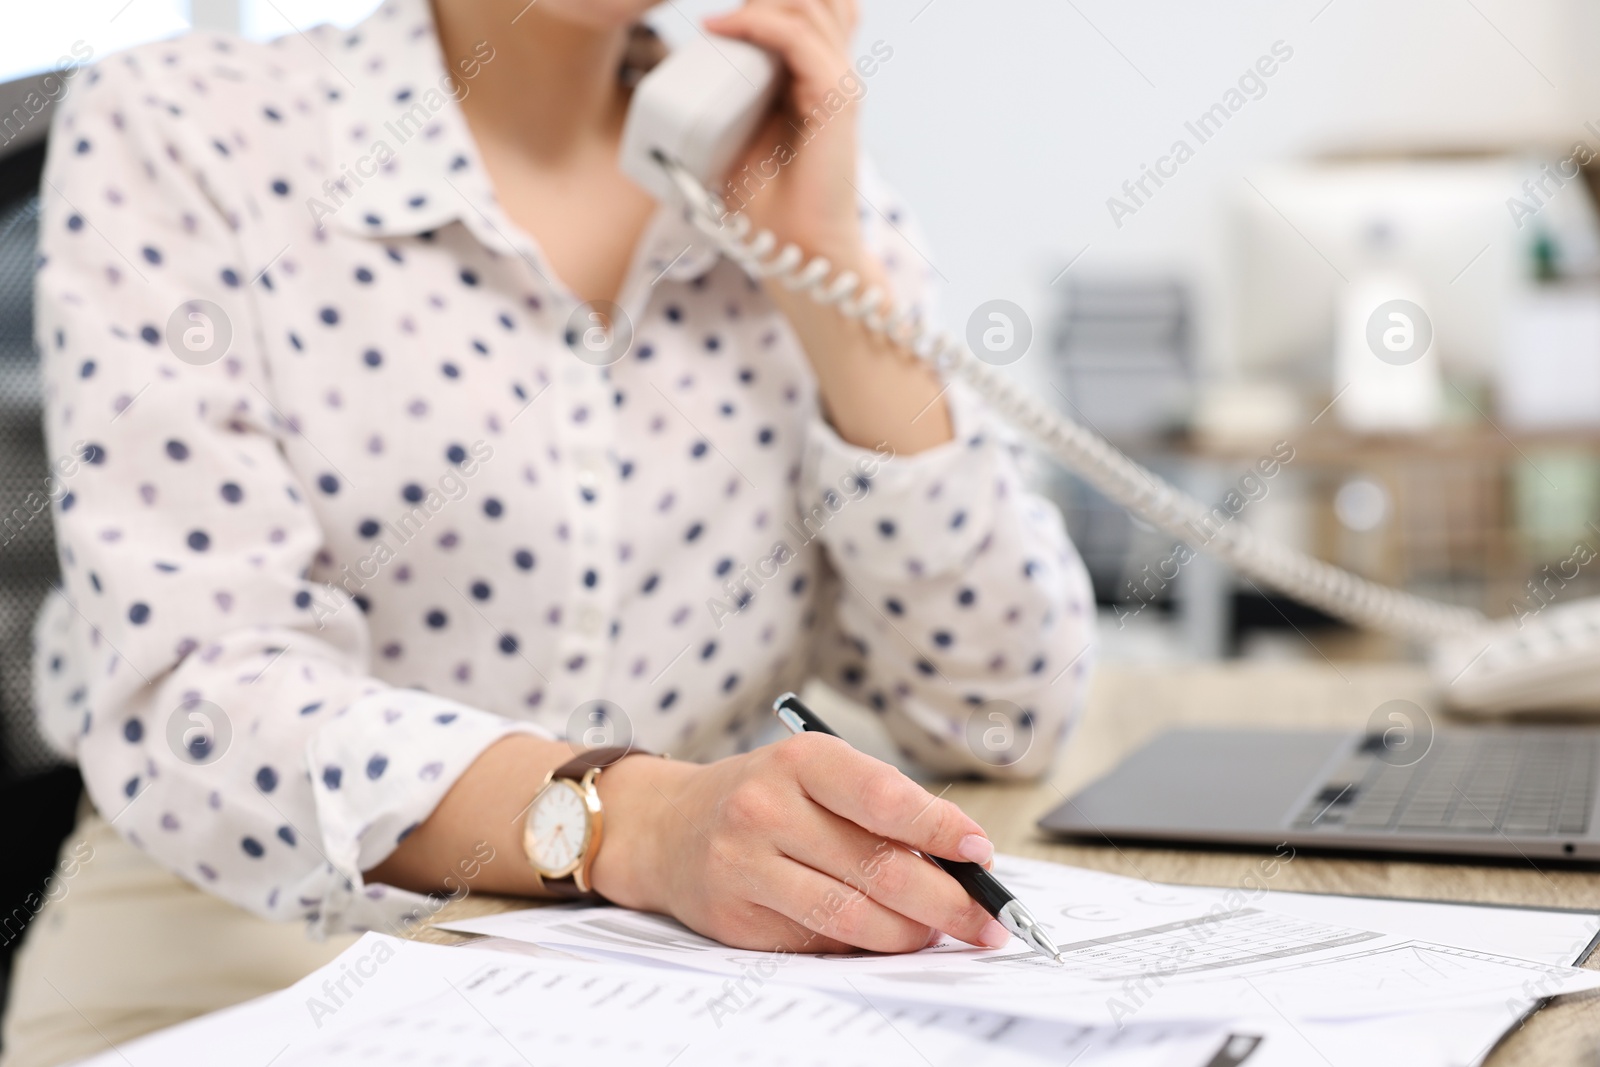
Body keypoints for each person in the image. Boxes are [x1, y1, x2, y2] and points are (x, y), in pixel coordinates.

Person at [3, 0, 1094, 1061]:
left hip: (655, 984)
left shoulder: (792, 178)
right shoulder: (183, 124)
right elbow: (203, 694)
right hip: (242, 960)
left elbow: (1003, 712)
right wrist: (641, 823)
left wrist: (826, 271)